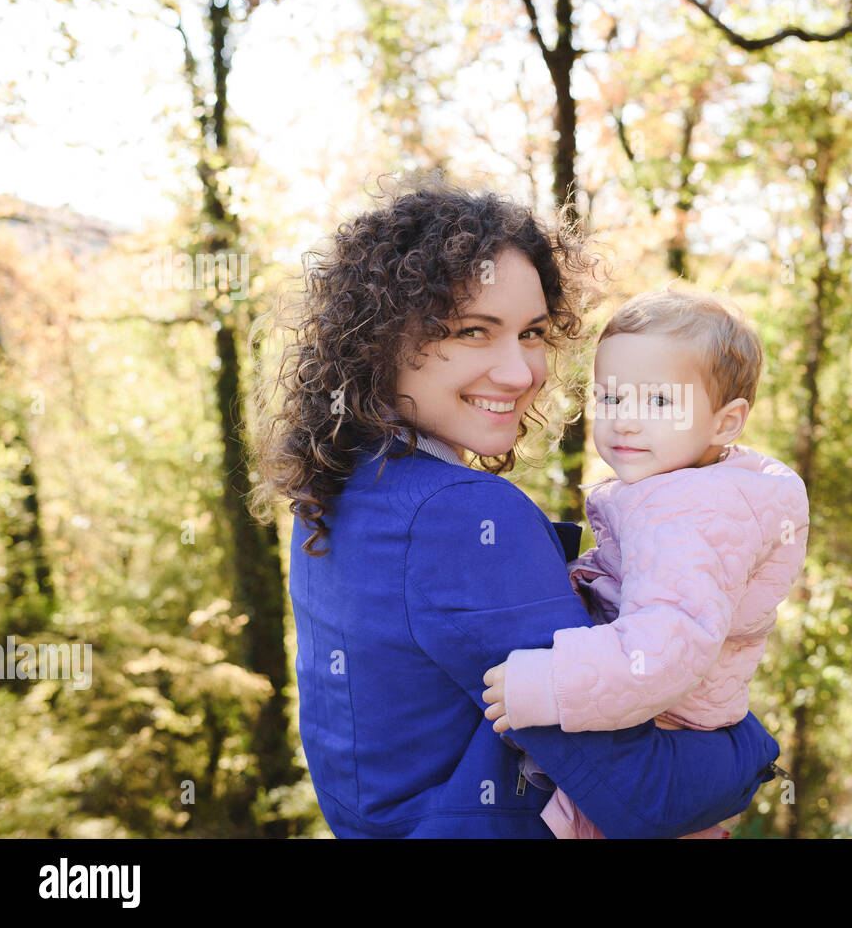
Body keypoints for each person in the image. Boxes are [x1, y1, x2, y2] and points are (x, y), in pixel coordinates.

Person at [249, 175, 782, 837]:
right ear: (381, 337)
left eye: (531, 333)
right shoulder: (458, 517)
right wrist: (753, 750)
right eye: (475, 330)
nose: (519, 371)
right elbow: (642, 794)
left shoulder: (338, 484)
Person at [480, 290, 809, 839]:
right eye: (610, 399)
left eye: (659, 403)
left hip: (665, 723)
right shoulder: (688, 488)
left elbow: (663, 650)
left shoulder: (689, 512)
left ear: (726, 423)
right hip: (669, 718)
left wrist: (552, 682)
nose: (626, 423)